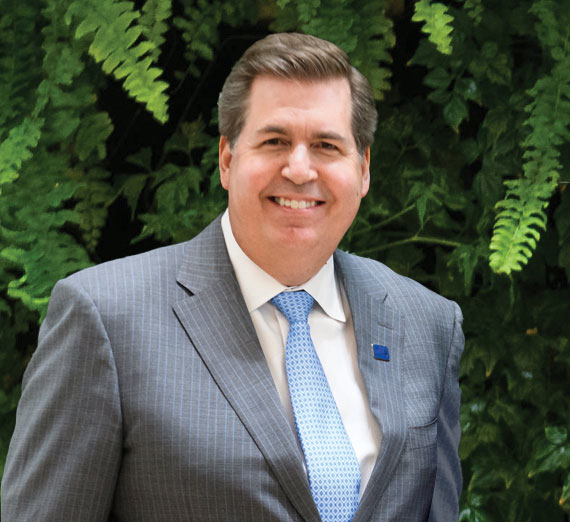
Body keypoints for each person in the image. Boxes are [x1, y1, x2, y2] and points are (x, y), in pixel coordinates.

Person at [1, 32, 464, 521]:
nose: (300, 168)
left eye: (327, 145)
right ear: (227, 159)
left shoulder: (427, 325)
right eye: (275, 141)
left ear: (364, 169)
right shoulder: (106, 320)